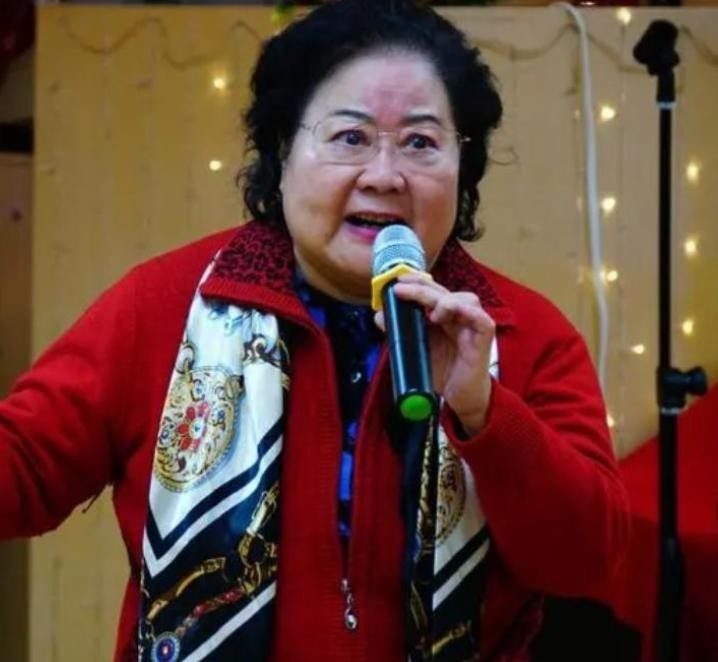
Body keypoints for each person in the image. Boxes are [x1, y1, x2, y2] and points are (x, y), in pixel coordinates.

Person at [0, 0, 629, 660]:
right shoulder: (162, 307)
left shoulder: (522, 334)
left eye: (420, 143)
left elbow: (589, 562)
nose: (384, 176)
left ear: (462, 168)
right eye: (350, 137)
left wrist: (484, 412)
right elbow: (23, 470)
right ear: (283, 151)